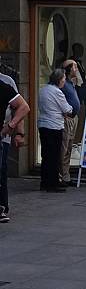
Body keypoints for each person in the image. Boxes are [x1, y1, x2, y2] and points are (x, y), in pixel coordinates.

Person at [38, 69, 73, 192]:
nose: (64, 81)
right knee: (54, 155)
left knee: (46, 155)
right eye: (63, 79)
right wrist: (71, 108)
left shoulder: (43, 89)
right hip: (54, 126)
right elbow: (67, 109)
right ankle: (52, 183)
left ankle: (45, 181)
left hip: (43, 124)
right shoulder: (57, 92)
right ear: (59, 80)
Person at [0, 72, 27, 222]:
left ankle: (2, 206)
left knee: (2, 170)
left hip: (4, 135)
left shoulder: (6, 82)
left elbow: (20, 107)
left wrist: (19, 132)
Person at [59, 60, 81, 186]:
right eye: (75, 67)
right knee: (64, 147)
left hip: (73, 117)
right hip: (67, 118)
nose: (76, 69)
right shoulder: (62, 83)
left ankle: (66, 176)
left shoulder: (71, 82)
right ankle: (61, 175)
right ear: (69, 69)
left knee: (69, 148)